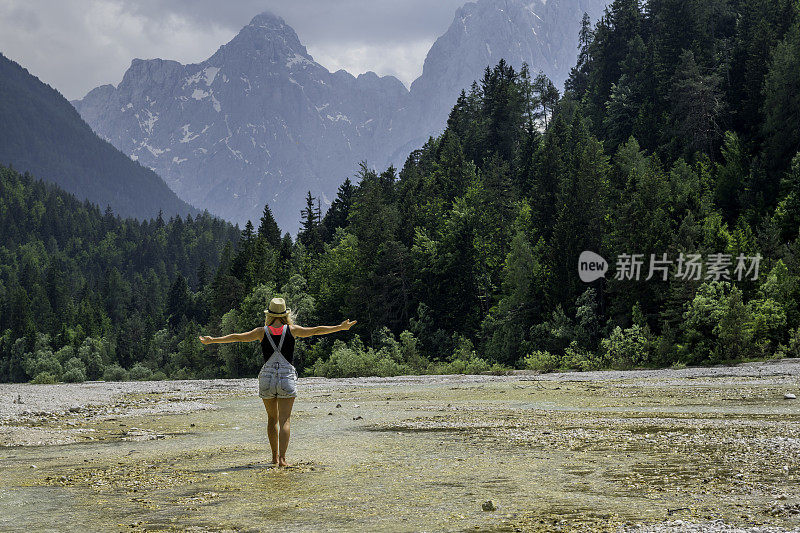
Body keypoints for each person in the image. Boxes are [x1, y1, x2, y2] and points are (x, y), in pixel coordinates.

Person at [199, 297, 356, 467]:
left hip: (267, 377)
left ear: (269, 314)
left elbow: (238, 337)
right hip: (286, 377)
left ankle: (273, 458)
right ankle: (283, 460)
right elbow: (316, 331)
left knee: (271, 419)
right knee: (285, 420)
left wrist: (213, 340)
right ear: (285, 314)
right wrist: (340, 327)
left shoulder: (261, 331)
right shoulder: (293, 330)